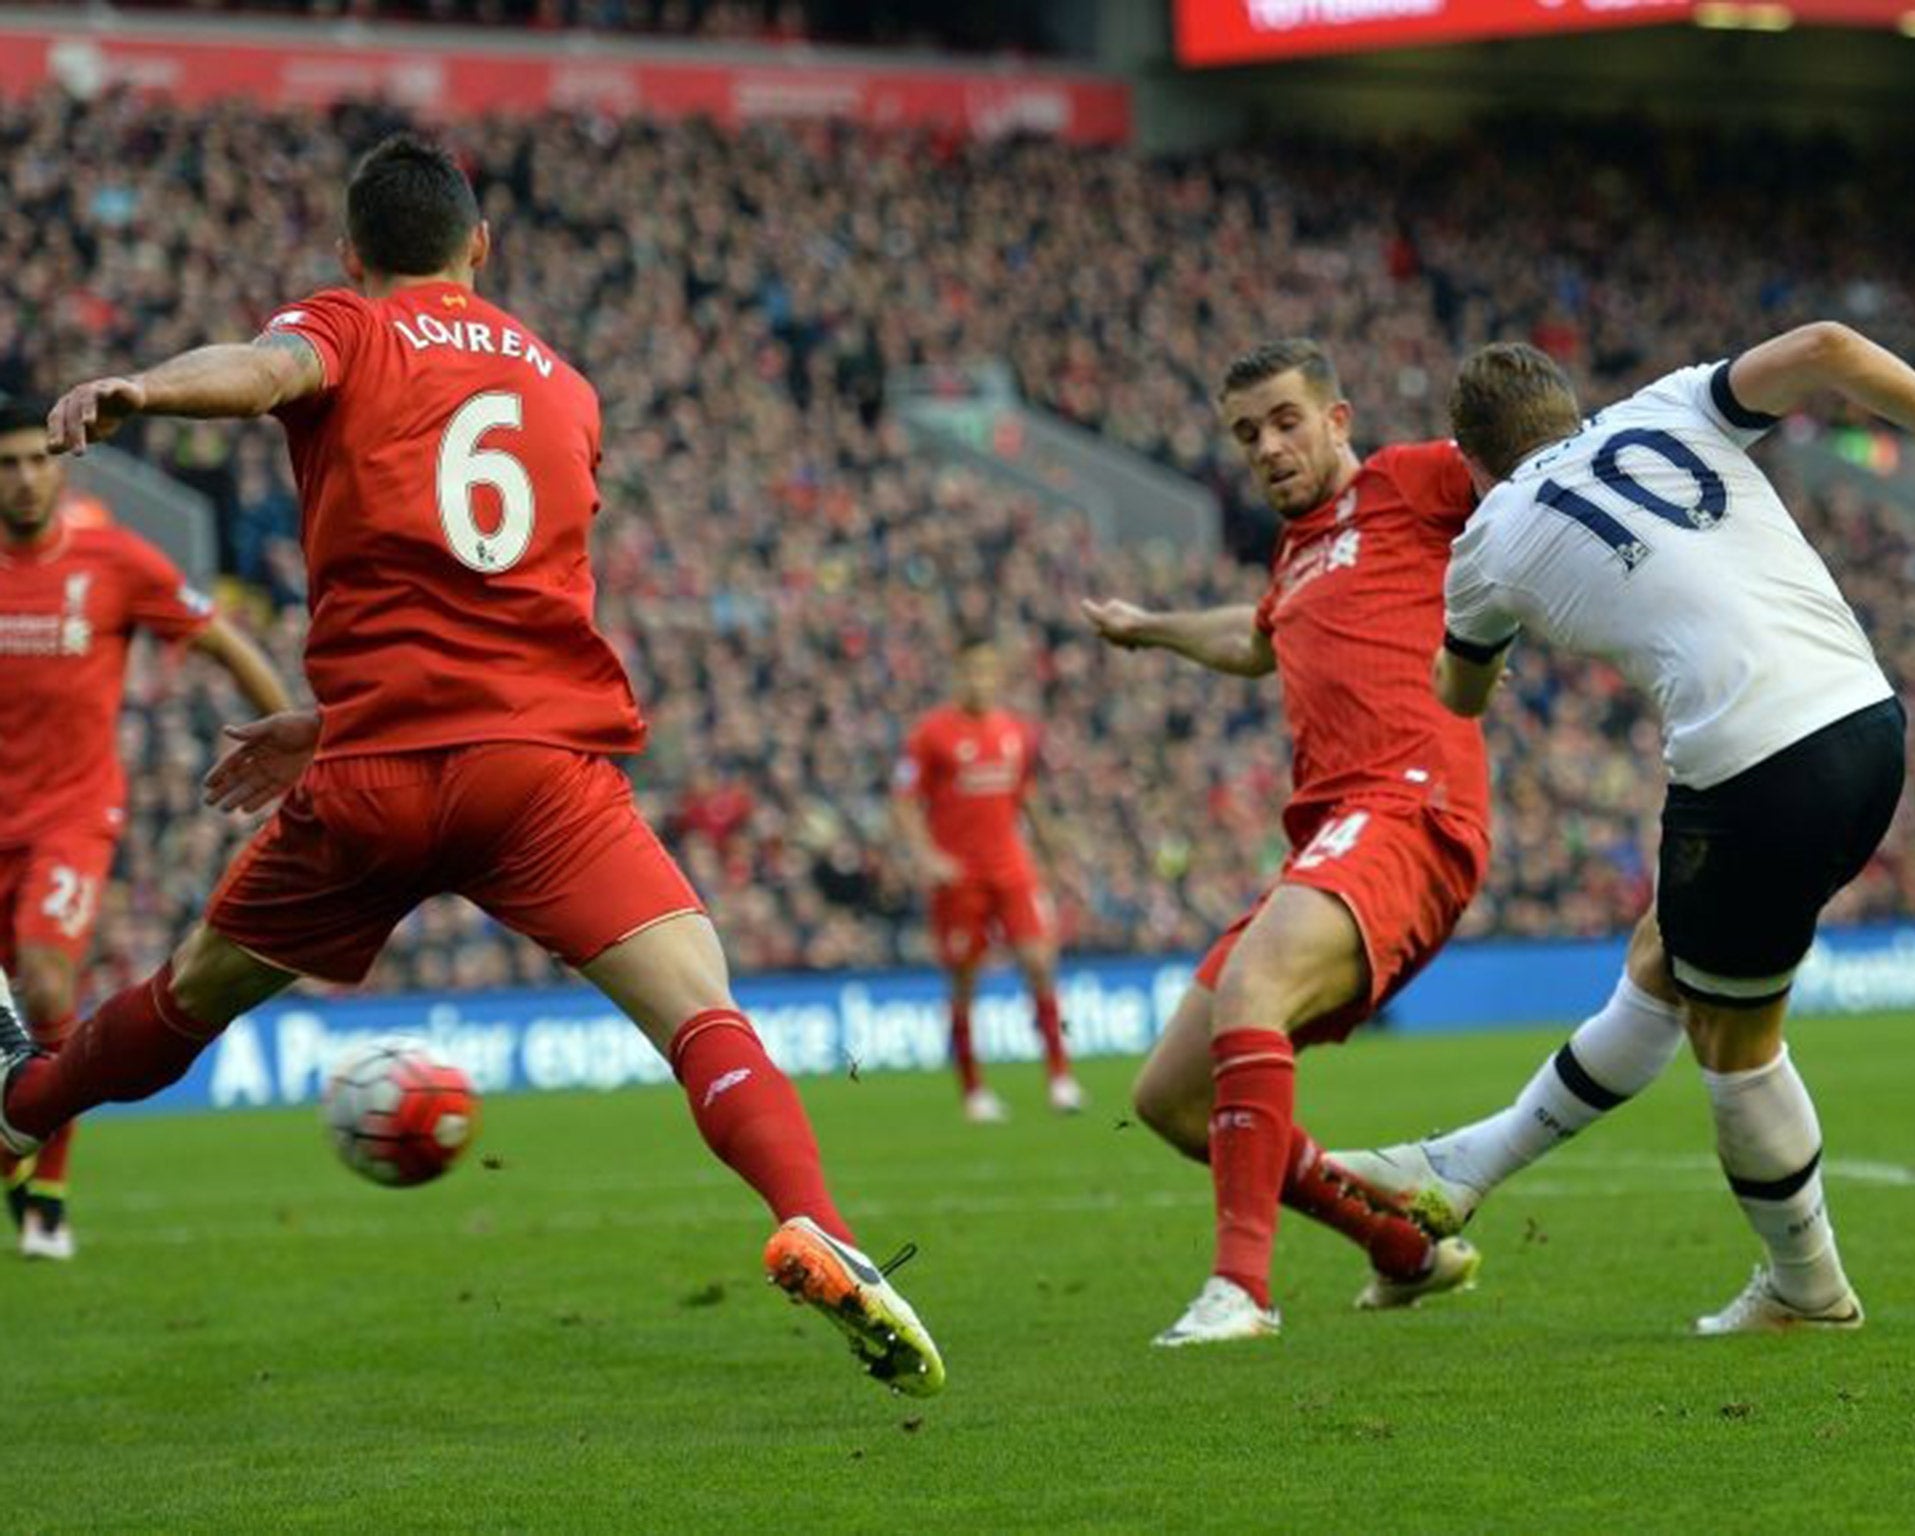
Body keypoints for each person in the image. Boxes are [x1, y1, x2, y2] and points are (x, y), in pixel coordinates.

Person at [0, 134, 943, 1395]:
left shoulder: (347, 327)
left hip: (381, 778)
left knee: (190, 998)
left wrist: (144, 393)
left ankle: (21, 1109)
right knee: (701, 1012)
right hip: (538, 774)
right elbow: (489, 607)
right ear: (478, 248)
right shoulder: (564, 384)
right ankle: (813, 1216)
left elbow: (267, 369)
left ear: (351, 254)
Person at [1346, 323, 1915, 1334]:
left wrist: (1479, 634)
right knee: (1665, 954)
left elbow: (1457, 692)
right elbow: (1830, 346)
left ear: (1467, 458)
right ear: (1569, 409)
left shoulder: (1485, 542)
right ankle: (1461, 1166)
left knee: (1732, 1037)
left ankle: (1806, 1287)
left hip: (1749, 761)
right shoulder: (1668, 405)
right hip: (1866, 722)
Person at [1082, 337, 1487, 1347]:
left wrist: (1501, 624)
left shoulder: (1412, 482)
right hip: (1329, 834)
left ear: (1337, 419)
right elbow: (1253, 641)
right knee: (1169, 1097)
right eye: (1245, 432)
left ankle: (1241, 1291)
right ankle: (1402, 1251)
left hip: (1408, 809)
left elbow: (1530, 478)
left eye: (1285, 420)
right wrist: (1145, 628)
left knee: (1253, 991)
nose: (1266, 446)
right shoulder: (1297, 554)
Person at [0, 395, 293, 1261]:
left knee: (47, 989)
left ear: (59, 464)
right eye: (5, 466)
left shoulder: (112, 558)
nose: (22, 481)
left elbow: (223, 641)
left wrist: (296, 744)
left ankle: (46, 1181)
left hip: (70, 817)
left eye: (34, 461)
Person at [891, 636, 1082, 1122]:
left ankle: (1060, 1078)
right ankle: (974, 1089)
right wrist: (927, 856)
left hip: (1011, 867)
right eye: (971, 671)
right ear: (957, 674)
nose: (980, 680)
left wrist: (1054, 846)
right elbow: (904, 801)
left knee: (1039, 960)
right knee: (963, 979)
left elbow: (1026, 797)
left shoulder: (1015, 731)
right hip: (959, 875)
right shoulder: (930, 734)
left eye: (988, 671)